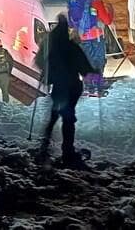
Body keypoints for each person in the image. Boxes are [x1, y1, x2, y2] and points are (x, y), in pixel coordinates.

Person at [36, 14, 92, 166]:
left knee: (55, 114)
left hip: (59, 88)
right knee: (68, 118)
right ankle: (67, 151)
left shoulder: (50, 46)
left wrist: (48, 72)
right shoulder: (72, 47)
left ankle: (45, 145)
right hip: (72, 87)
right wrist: (96, 74)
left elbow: (39, 61)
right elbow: (86, 70)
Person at [68, 0, 114, 96]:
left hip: (82, 37)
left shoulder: (78, 1)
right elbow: (107, 20)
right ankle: (97, 87)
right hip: (96, 37)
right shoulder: (96, 2)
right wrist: (110, 10)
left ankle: (87, 87)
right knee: (98, 61)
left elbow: (72, 22)